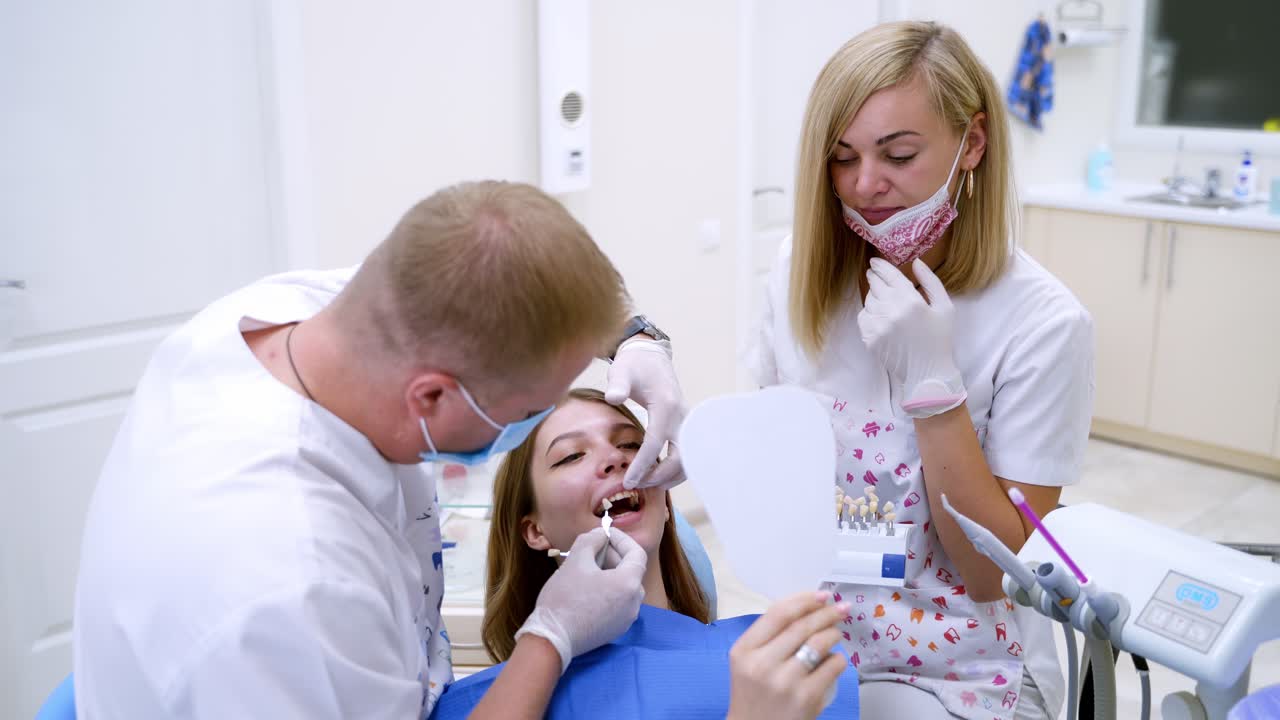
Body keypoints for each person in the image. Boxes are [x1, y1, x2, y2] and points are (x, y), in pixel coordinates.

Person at [73, 181, 687, 718]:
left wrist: (634, 338)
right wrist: (551, 636)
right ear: (432, 397)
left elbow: (501, 269)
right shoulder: (289, 586)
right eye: (534, 415)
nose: (608, 456)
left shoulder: (313, 315)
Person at [740, 21, 1095, 720]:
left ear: (973, 143)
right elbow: (775, 477)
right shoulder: (795, 276)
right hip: (829, 639)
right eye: (841, 159)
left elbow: (992, 574)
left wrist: (936, 394)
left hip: (976, 667)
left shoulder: (1045, 323)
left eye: (898, 154)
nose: (866, 185)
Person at [432, 389, 854, 720]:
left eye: (633, 443)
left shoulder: (790, 654)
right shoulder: (481, 702)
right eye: (572, 455)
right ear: (535, 530)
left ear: (666, 502)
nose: (615, 459)